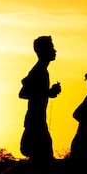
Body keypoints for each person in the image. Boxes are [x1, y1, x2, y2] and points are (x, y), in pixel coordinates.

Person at [19, 36, 61, 164]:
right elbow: (23, 93)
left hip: (38, 121)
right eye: (52, 48)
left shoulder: (41, 71)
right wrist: (47, 92)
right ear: (44, 51)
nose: (55, 51)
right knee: (44, 161)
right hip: (35, 122)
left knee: (39, 163)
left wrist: (49, 93)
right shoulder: (38, 72)